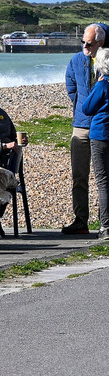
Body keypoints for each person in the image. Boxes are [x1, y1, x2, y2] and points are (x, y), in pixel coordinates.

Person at [64, 23, 108, 234]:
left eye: (89, 43)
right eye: (83, 42)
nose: (85, 46)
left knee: (104, 178)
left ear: (101, 42)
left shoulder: (107, 60)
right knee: (79, 176)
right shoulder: (76, 60)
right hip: (81, 125)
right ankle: (80, 220)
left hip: (102, 126)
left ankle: (104, 223)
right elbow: (70, 85)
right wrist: (81, 107)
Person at [82, 47, 109, 240]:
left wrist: (96, 86)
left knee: (103, 182)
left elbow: (87, 108)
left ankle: (105, 227)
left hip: (100, 134)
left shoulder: (102, 85)